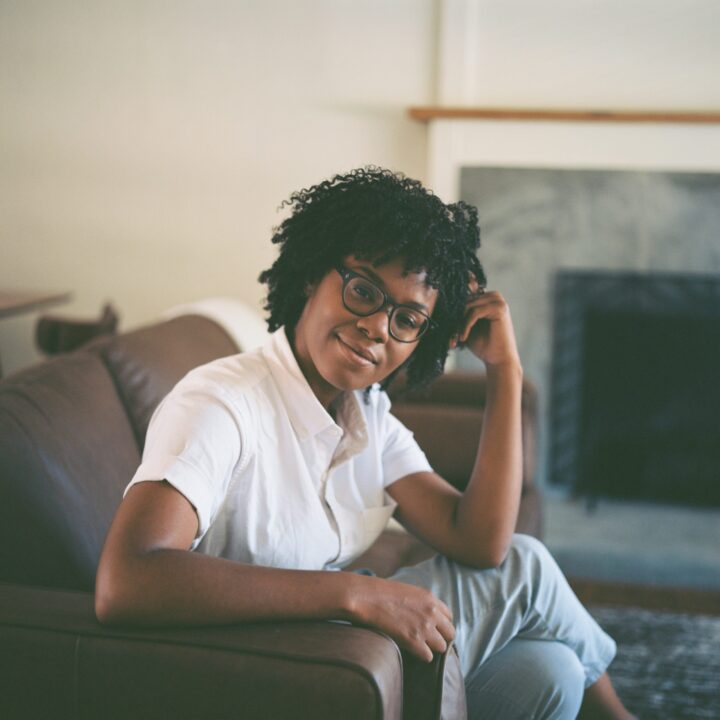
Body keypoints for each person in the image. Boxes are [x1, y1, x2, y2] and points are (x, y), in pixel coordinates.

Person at [95, 167, 635, 719]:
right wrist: (355, 594)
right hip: (261, 664)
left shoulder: (364, 415)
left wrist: (506, 371)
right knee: (528, 564)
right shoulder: (222, 403)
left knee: (552, 672)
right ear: (312, 275)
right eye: (363, 290)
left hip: (329, 656)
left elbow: (477, 541)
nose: (378, 326)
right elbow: (128, 579)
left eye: (407, 318)